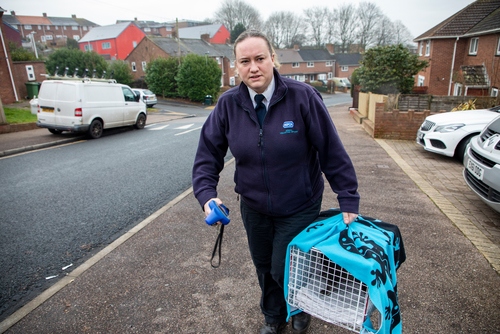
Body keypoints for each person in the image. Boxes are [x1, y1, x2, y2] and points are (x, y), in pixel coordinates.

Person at [192, 30, 360, 334]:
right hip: (254, 207)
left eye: (260, 58)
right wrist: (207, 196)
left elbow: (331, 150)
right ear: (236, 66)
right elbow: (207, 157)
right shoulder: (228, 105)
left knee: (287, 266)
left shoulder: (302, 97)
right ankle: (273, 317)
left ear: (273, 59)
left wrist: (347, 196)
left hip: (299, 203)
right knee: (264, 266)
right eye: (245, 61)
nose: (253, 67)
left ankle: (300, 308)